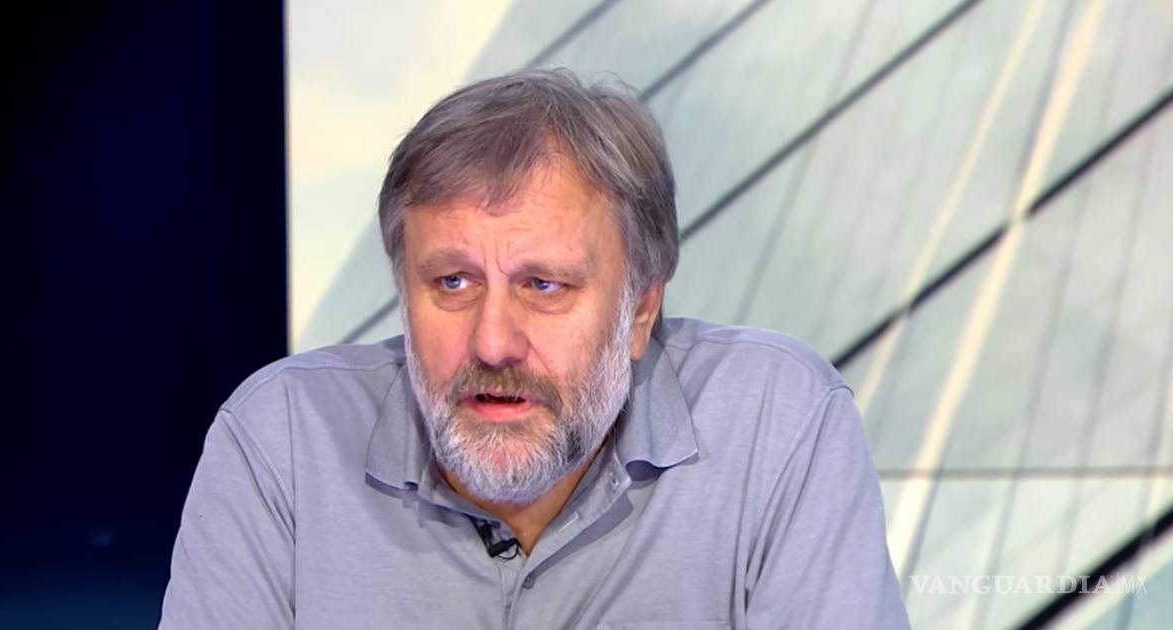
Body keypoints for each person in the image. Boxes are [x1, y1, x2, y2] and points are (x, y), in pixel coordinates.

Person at [159, 69, 910, 629]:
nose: (493, 342)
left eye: (544, 285)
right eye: (452, 282)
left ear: (640, 306)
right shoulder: (283, 439)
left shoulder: (778, 420)